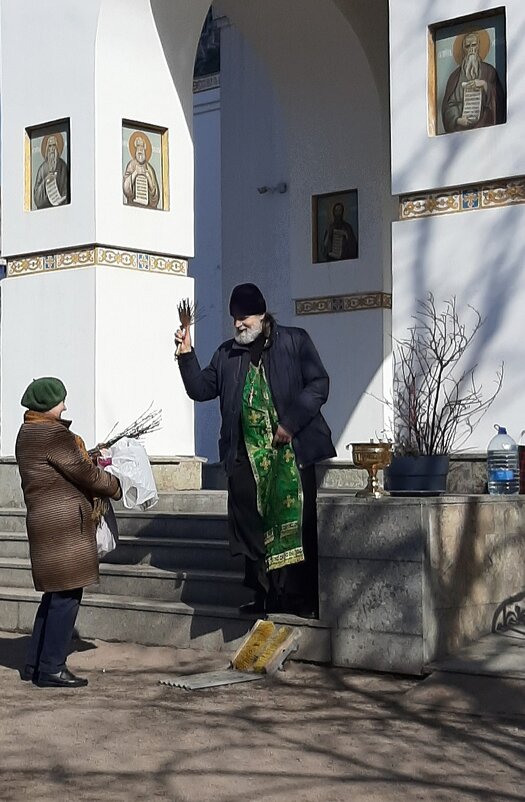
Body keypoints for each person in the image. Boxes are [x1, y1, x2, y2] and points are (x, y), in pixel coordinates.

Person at [175, 283, 336, 617]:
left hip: (290, 454)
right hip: (245, 459)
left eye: (244, 317)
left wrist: (290, 424)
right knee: (251, 530)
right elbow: (201, 390)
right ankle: (264, 597)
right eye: (234, 318)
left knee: (293, 527)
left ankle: (298, 600)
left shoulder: (294, 341)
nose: (238, 324)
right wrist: (187, 355)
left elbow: (318, 384)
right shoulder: (227, 354)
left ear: (261, 314)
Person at [15, 377, 121, 688]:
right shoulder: (53, 434)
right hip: (63, 527)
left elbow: (63, 467)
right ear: (48, 404)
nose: (65, 406)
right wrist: (115, 486)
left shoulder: (27, 431)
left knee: (54, 594)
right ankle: (51, 668)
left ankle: (35, 663)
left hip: (45, 523)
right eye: (61, 401)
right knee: (67, 595)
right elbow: (84, 473)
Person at [442, 30, 505, 133]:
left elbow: (499, 99)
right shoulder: (455, 77)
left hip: (486, 126)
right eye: (468, 46)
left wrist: (484, 85)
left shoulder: (489, 71)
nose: (471, 49)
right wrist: (457, 119)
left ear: (478, 46)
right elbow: (448, 106)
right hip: (461, 131)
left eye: (474, 45)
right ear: (464, 49)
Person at [122, 132, 160, 209]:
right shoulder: (131, 165)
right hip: (133, 206)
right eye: (138, 149)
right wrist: (135, 173)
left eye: (142, 149)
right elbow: (126, 188)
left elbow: (155, 195)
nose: (140, 152)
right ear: (135, 150)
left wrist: (148, 177)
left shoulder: (149, 168)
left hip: (148, 206)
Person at [33, 133, 69, 209]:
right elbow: (36, 196)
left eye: (54, 145)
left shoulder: (62, 166)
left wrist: (62, 198)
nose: (52, 149)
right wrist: (46, 180)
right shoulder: (42, 169)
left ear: (57, 147)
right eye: (50, 146)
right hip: (44, 208)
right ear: (47, 148)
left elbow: (66, 189)